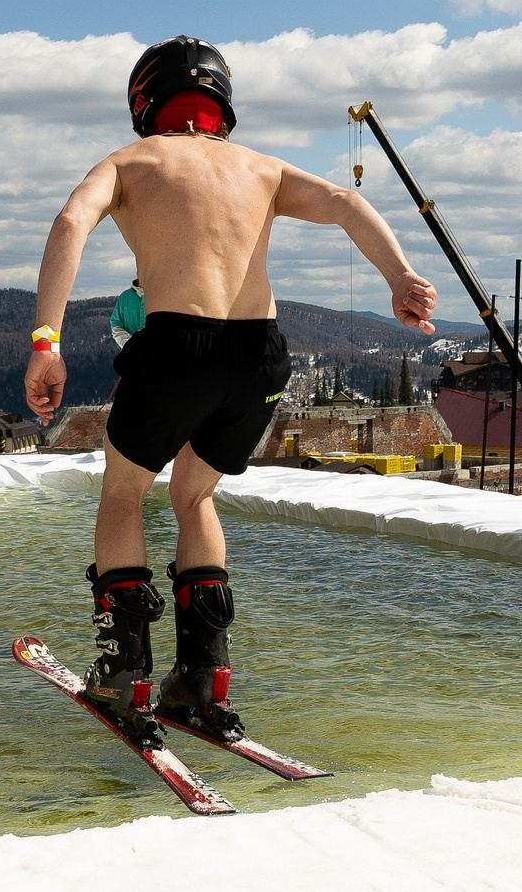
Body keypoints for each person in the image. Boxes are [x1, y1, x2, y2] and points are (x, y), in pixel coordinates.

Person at [25, 36, 436, 724]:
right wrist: (401, 278)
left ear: (144, 102)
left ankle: (125, 673)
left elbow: (71, 221)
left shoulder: (130, 161)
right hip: (259, 356)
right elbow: (344, 201)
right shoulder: (262, 167)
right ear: (223, 102)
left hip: (176, 347)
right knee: (194, 494)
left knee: (124, 494)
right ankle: (202, 676)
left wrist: (47, 343)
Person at [110, 275, 146, 349]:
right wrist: (128, 343)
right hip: (131, 354)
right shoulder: (125, 297)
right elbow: (116, 324)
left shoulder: (163, 297)